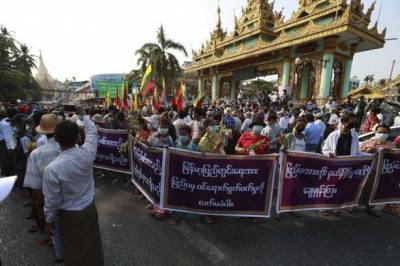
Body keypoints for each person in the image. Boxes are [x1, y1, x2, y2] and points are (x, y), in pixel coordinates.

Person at [42, 108, 104, 266]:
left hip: (68, 216)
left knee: (73, 251)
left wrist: (48, 221)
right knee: (92, 248)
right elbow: (92, 133)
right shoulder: (87, 154)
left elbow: (52, 201)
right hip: (89, 210)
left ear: (56, 139)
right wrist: (85, 114)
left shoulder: (52, 169)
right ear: (77, 137)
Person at [23, 114, 63, 262]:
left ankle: (60, 255)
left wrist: (37, 209)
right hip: (73, 200)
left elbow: (36, 189)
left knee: (55, 227)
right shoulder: (72, 148)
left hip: (50, 199)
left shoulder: (36, 153)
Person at [360, 125, 397, 217]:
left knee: (375, 189)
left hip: (382, 172)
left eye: (385, 133)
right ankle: (353, 204)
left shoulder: (392, 145)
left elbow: (395, 158)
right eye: (380, 132)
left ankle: (369, 206)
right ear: (375, 132)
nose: (382, 134)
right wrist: (369, 150)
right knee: (362, 187)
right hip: (368, 170)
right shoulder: (367, 142)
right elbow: (359, 156)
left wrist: (390, 152)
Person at [0, 109, 16, 176]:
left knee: (4, 161)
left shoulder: (3, 122)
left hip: (4, 144)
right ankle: (7, 175)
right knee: (7, 161)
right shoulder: (5, 124)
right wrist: (10, 147)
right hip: (5, 144)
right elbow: (8, 137)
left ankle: (5, 173)